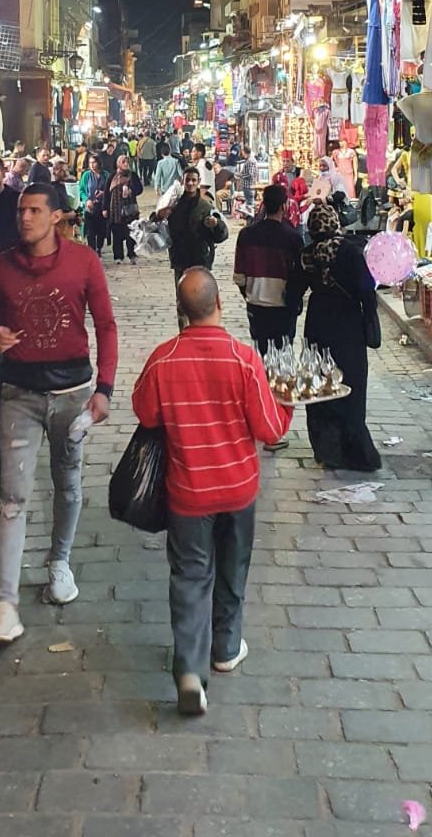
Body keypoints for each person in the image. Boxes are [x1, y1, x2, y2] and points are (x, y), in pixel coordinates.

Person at [133, 267, 291, 717]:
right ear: (220, 304)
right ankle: (225, 647)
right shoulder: (243, 359)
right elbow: (268, 428)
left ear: (182, 313)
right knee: (233, 568)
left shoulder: (163, 359)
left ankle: (188, 670)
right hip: (238, 489)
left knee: (189, 577)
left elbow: (145, 413)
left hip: (187, 493)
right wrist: (288, 403)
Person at [0, 184, 117, 642]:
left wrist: (105, 389)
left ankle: (59, 561)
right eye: (22, 210)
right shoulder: (2, 267)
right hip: (19, 391)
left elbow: (106, 325)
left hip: (72, 393)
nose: (25, 218)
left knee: (68, 480)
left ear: (56, 216)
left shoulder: (83, 262)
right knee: (12, 495)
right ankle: (5, 603)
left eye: (35, 210)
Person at [301, 205, 381, 472]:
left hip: (318, 321)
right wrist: (369, 316)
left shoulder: (307, 254)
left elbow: (293, 290)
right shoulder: (350, 251)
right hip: (347, 324)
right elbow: (366, 289)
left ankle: (327, 450)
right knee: (350, 384)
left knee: (321, 384)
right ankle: (355, 450)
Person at [233, 183, 306, 357]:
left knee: (261, 353)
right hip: (283, 306)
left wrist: (249, 293)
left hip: (256, 304)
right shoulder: (293, 238)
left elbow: (239, 275)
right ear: (284, 206)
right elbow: (299, 276)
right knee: (283, 354)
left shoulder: (247, 234)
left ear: (263, 205)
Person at [167, 167, 230, 308]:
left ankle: (199, 329)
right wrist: (159, 215)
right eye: (187, 180)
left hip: (200, 259)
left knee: (200, 301)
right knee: (182, 301)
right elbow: (157, 227)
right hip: (180, 259)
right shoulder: (173, 205)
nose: (190, 183)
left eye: (193, 180)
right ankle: (184, 329)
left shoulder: (206, 206)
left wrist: (216, 224)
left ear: (198, 182)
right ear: (182, 181)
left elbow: (222, 235)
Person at [107, 156, 143, 264]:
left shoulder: (133, 175)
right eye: (123, 162)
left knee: (131, 233)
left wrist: (131, 190)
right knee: (117, 233)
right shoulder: (113, 176)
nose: (126, 163)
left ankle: (131, 254)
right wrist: (105, 208)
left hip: (130, 210)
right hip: (116, 210)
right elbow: (106, 193)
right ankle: (118, 256)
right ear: (118, 164)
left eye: (127, 161)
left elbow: (140, 189)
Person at [78, 153, 108, 255]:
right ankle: (92, 251)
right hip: (90, 207)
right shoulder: (86, 175)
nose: (92, 165)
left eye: (94, 162)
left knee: (101, 230)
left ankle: (99, 248)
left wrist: (103, 193)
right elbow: (81, 189)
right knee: (90, 231)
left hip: (102, 206)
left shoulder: (105, 175)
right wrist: (87, 200)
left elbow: (110, 190)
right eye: (90, 163)